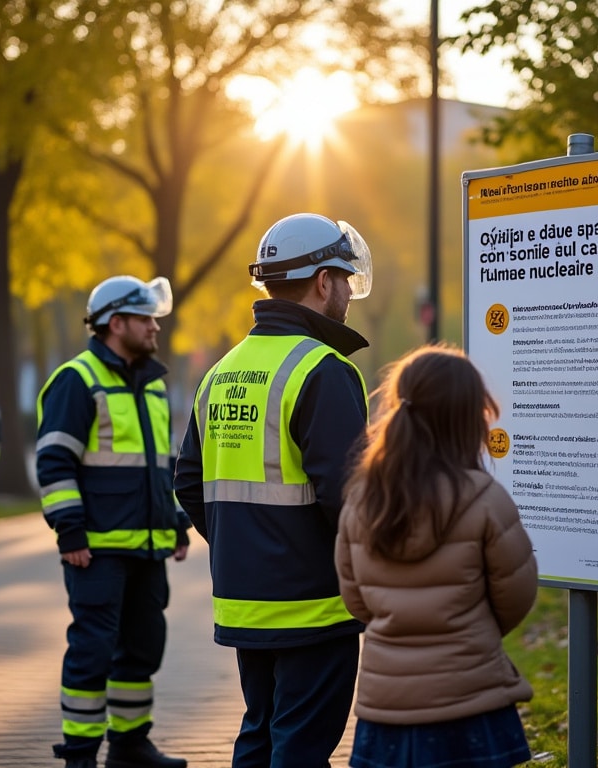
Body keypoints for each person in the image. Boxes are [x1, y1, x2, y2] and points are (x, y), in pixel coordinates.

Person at [173, 212, 373, 766]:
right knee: (302, 748)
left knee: (259, 737)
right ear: (322, 281)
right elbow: (349, 495)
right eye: (345, 280)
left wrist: (247, 543)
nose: (349, 294)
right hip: (313, 607)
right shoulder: (323, 369)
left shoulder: (222, 371)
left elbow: (188, 480)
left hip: (244, 602)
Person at [335, 345, 538, 768]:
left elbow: (357, 600)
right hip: (470, 701)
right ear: (469, 418)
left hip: (386, 705)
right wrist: (470, 627)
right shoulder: (486, 499)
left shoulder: (361, 500)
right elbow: (516, 596)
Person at [36, 275, 190, 768]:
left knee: (142, 649)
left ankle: (128, 745)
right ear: (114, 323)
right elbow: (54, 463)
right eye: (146, 319)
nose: (155, 329)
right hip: (95, 550)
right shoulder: (75, 380)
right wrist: (70, 532)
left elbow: (158, 467)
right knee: (93, 652)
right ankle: (79, 755)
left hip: (147, 547)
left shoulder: (154, 384)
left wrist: (176, 523)